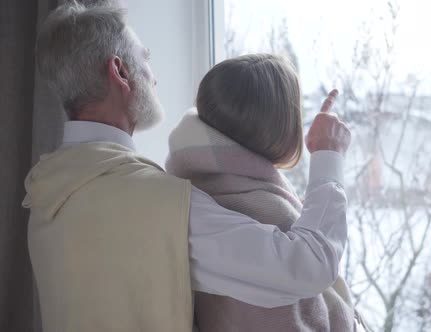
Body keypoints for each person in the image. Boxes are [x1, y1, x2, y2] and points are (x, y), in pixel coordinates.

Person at [22, 2, 351, 332]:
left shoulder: (46, 193)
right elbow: (306, 266)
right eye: (145, 57)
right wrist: (328, 154)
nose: (154, 76)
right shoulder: (157, 205)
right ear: (120, 72)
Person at [166, 53, 366, 332]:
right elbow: (311, 263)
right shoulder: (255, 209)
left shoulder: (201, 186)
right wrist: (328, 154)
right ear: (283, 128)